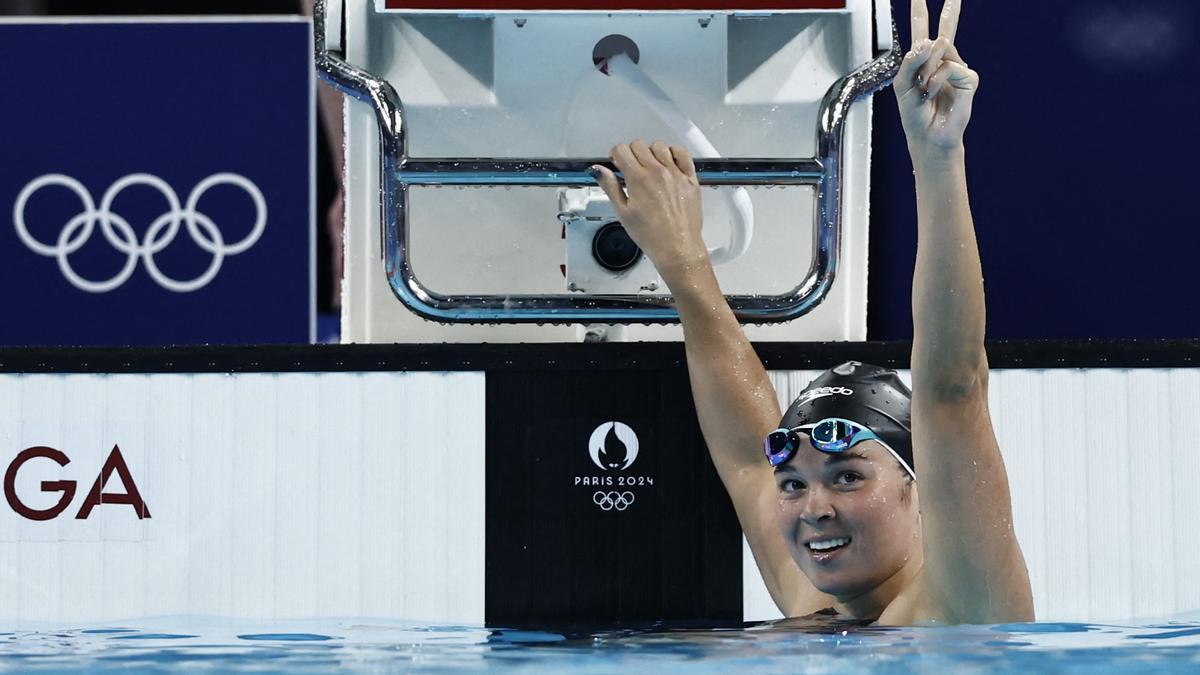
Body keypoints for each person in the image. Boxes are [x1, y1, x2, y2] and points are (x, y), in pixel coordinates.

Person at [590, 0, 1033, 625]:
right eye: (794, 484)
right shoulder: (815, 601)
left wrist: (936, 157)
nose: (813, 509)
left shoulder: (963, 610)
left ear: (921, 491)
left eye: (848, 477)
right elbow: (748, 457)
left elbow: (953, 389)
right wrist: (680, 256)